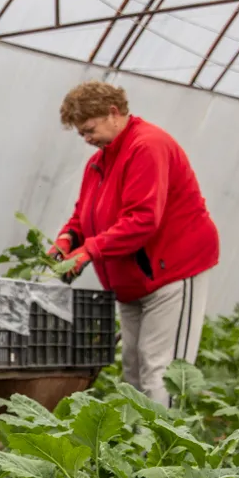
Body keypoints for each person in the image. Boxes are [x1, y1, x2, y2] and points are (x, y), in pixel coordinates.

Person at [51, 80, 219, 407]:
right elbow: (83, 217)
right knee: (133, 369)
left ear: (113, 113)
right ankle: (141, 451)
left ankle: (166, 451)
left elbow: (143, 219)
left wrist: (89, 252)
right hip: (131, 282)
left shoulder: (147, 146)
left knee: (161, 370)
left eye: (88, 129)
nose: (86, 139)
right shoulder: (99, 162)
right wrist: (67, 240)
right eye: (80, 133)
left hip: (171, 271)